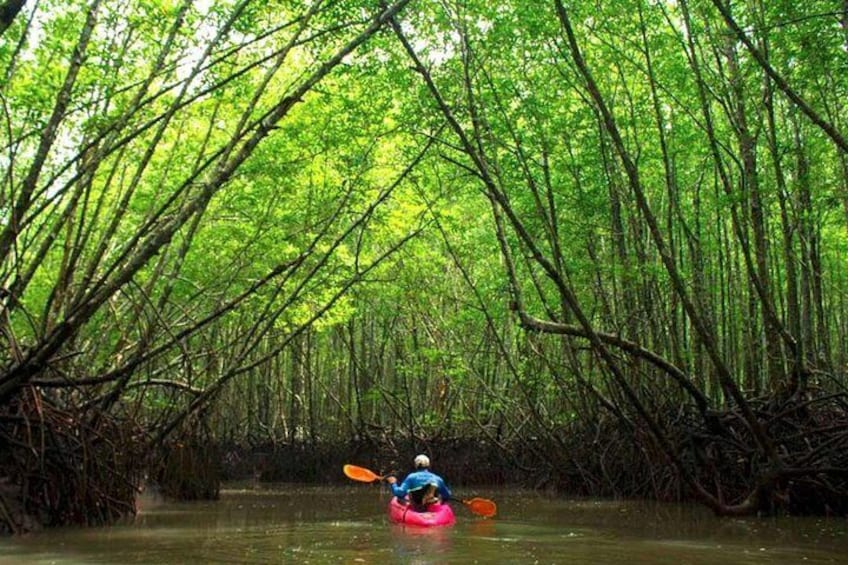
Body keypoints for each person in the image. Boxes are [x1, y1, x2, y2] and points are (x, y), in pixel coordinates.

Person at [387, 454, 452, 510]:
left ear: (416, 465)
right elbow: (447, 495)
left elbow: (399, 493)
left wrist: (393, 483)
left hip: (416, 506)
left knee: (399, 498)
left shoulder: (411, 477)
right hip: (431, 505)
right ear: (428, 465)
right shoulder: (437, 479)